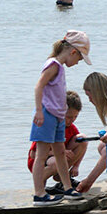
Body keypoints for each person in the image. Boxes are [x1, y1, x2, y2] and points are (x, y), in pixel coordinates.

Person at [30, 31, 91, 205]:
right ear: (73, 51)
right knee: (42, 155)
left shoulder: (60, 67)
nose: (78, 62)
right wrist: (39, 111)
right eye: (79, 58)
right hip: (47, 115)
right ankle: (39, 194)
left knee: (60, 154)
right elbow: (38, 87)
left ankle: (67, 188)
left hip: (57, 117)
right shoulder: (53, 65)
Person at [28, 91, 88, 195]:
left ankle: (62, 178)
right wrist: (61, 152)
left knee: (82, 139)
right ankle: (39, 185)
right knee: (55, 161)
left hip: (59, 157)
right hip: (42, 160)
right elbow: (33, 154)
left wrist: (76, 166)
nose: (72, 120)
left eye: (75, 117)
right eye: (69, 117)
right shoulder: (50, 125)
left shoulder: (71, 128)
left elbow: (80, 144)